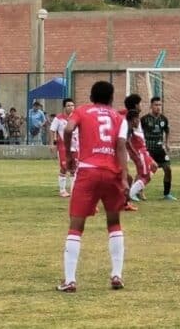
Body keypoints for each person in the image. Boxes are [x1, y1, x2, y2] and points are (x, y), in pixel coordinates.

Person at [57, 81, 129, 293]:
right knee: (114, 222)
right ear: (111, 97)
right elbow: (122, 145)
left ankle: (70, 280)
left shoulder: (82, 110)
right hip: (112, 173)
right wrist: (124, 177)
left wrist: (70, 155)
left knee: (76, 226)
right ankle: (116, 274)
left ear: (91, 95)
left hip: (88, 170)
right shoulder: (119, 117)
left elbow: (68, 128)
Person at [141, 97, 175, 200]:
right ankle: (139, 191)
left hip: (160, 149)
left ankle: (167, 194)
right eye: (156, 105)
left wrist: (167, 143)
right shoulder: (144, 119)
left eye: (159, 105)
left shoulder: (163, 119)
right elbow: (139, 132)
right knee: (145, 172)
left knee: (168, 169)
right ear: (151, 106)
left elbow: (167, 131)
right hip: (148, 149)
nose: (158, 107)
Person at [51, 99, 78, 197]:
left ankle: (73, 190)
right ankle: (62, 190)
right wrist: (53, 143)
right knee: (64, 167)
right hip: (63, 147)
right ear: (64, 107)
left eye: (72, 105)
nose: (71, 107)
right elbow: (52, 130)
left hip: (75, 147)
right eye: (68, 105)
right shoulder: (58, 118)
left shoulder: (77, 118)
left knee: (74, 169)